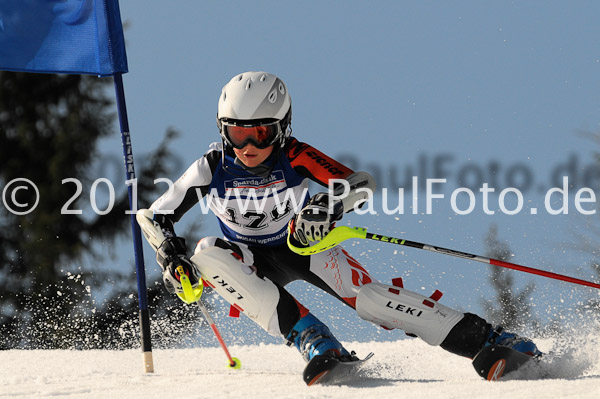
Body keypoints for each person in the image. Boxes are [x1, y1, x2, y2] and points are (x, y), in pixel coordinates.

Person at [136, 71, 541, 370]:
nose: (249, 146)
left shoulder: (293, 154)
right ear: (222, 131)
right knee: (206, 254)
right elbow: (154, 216)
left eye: (261, 133)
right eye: (237, 134)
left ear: (282, 129)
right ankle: (314, 340)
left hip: (301, 245)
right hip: (246, 259)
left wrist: (327, 207)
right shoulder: (212, 166)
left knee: (369, 301)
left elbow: (358, 183)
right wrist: (172, 257)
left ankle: (489, 340)